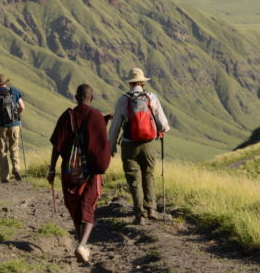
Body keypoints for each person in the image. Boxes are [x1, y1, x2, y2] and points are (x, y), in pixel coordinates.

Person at [48, 84, 111, 263]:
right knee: (88, 206)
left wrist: (52, 169)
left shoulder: (66, 116)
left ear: (76, 97)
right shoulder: (96, 116)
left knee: (75, 205)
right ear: (91, 98)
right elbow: (102, 145)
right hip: (90, 172)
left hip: (69, 170)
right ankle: (83, 244)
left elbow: (56, 146)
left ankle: (80, 242)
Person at [108, 68, 170, 225]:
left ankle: (139, 215)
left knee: (134, 179)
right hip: (148, 144)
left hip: (129, 145)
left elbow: (115, 126)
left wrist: (112, 146)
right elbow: (162, 124)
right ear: (143, 82)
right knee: (148, 175)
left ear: (130, 83)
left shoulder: (123, 100)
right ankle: (151, 209)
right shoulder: (151, 97)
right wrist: (160, 132)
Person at [0, 74, 25, 182]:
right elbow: (22, 107)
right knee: (14, 148)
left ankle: (4, 176)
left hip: (0, 125)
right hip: (14, 124)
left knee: (1, 150)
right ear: (6, 82)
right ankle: (17, 169)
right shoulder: (14, 91)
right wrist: (17, 114)